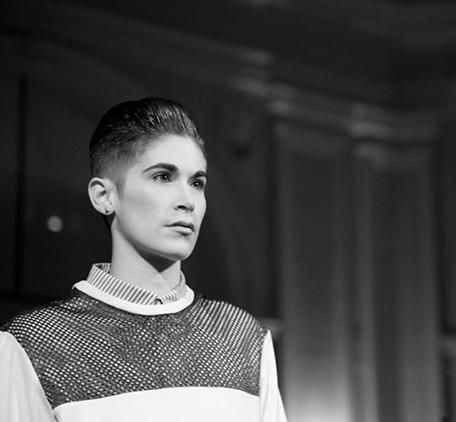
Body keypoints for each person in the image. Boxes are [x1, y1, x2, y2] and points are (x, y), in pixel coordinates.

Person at [0, 97, 287, 422]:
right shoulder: (36, 344)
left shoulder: (243, 339)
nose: (188, 200)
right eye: (163, 176)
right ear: (104, 196)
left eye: (197, 183)